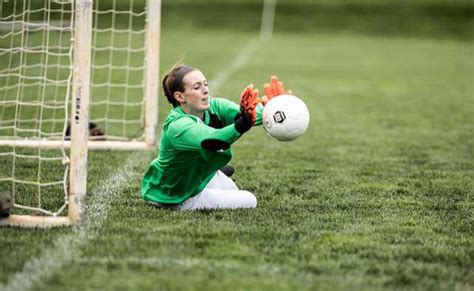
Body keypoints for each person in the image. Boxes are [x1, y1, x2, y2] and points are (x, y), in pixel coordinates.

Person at [140, 64, 289, 210]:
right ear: (180, 96)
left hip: (189, 181)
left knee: (232, 188)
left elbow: (247, 116)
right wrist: (244, 123)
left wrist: (274, 107)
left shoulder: (214, 106)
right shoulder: (178, 126)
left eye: (205, 84)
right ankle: (207, 174)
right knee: (250, 200)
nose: (205, 90)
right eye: (197, 87)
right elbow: (214, 141)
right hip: (174, 196)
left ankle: (207, 172)